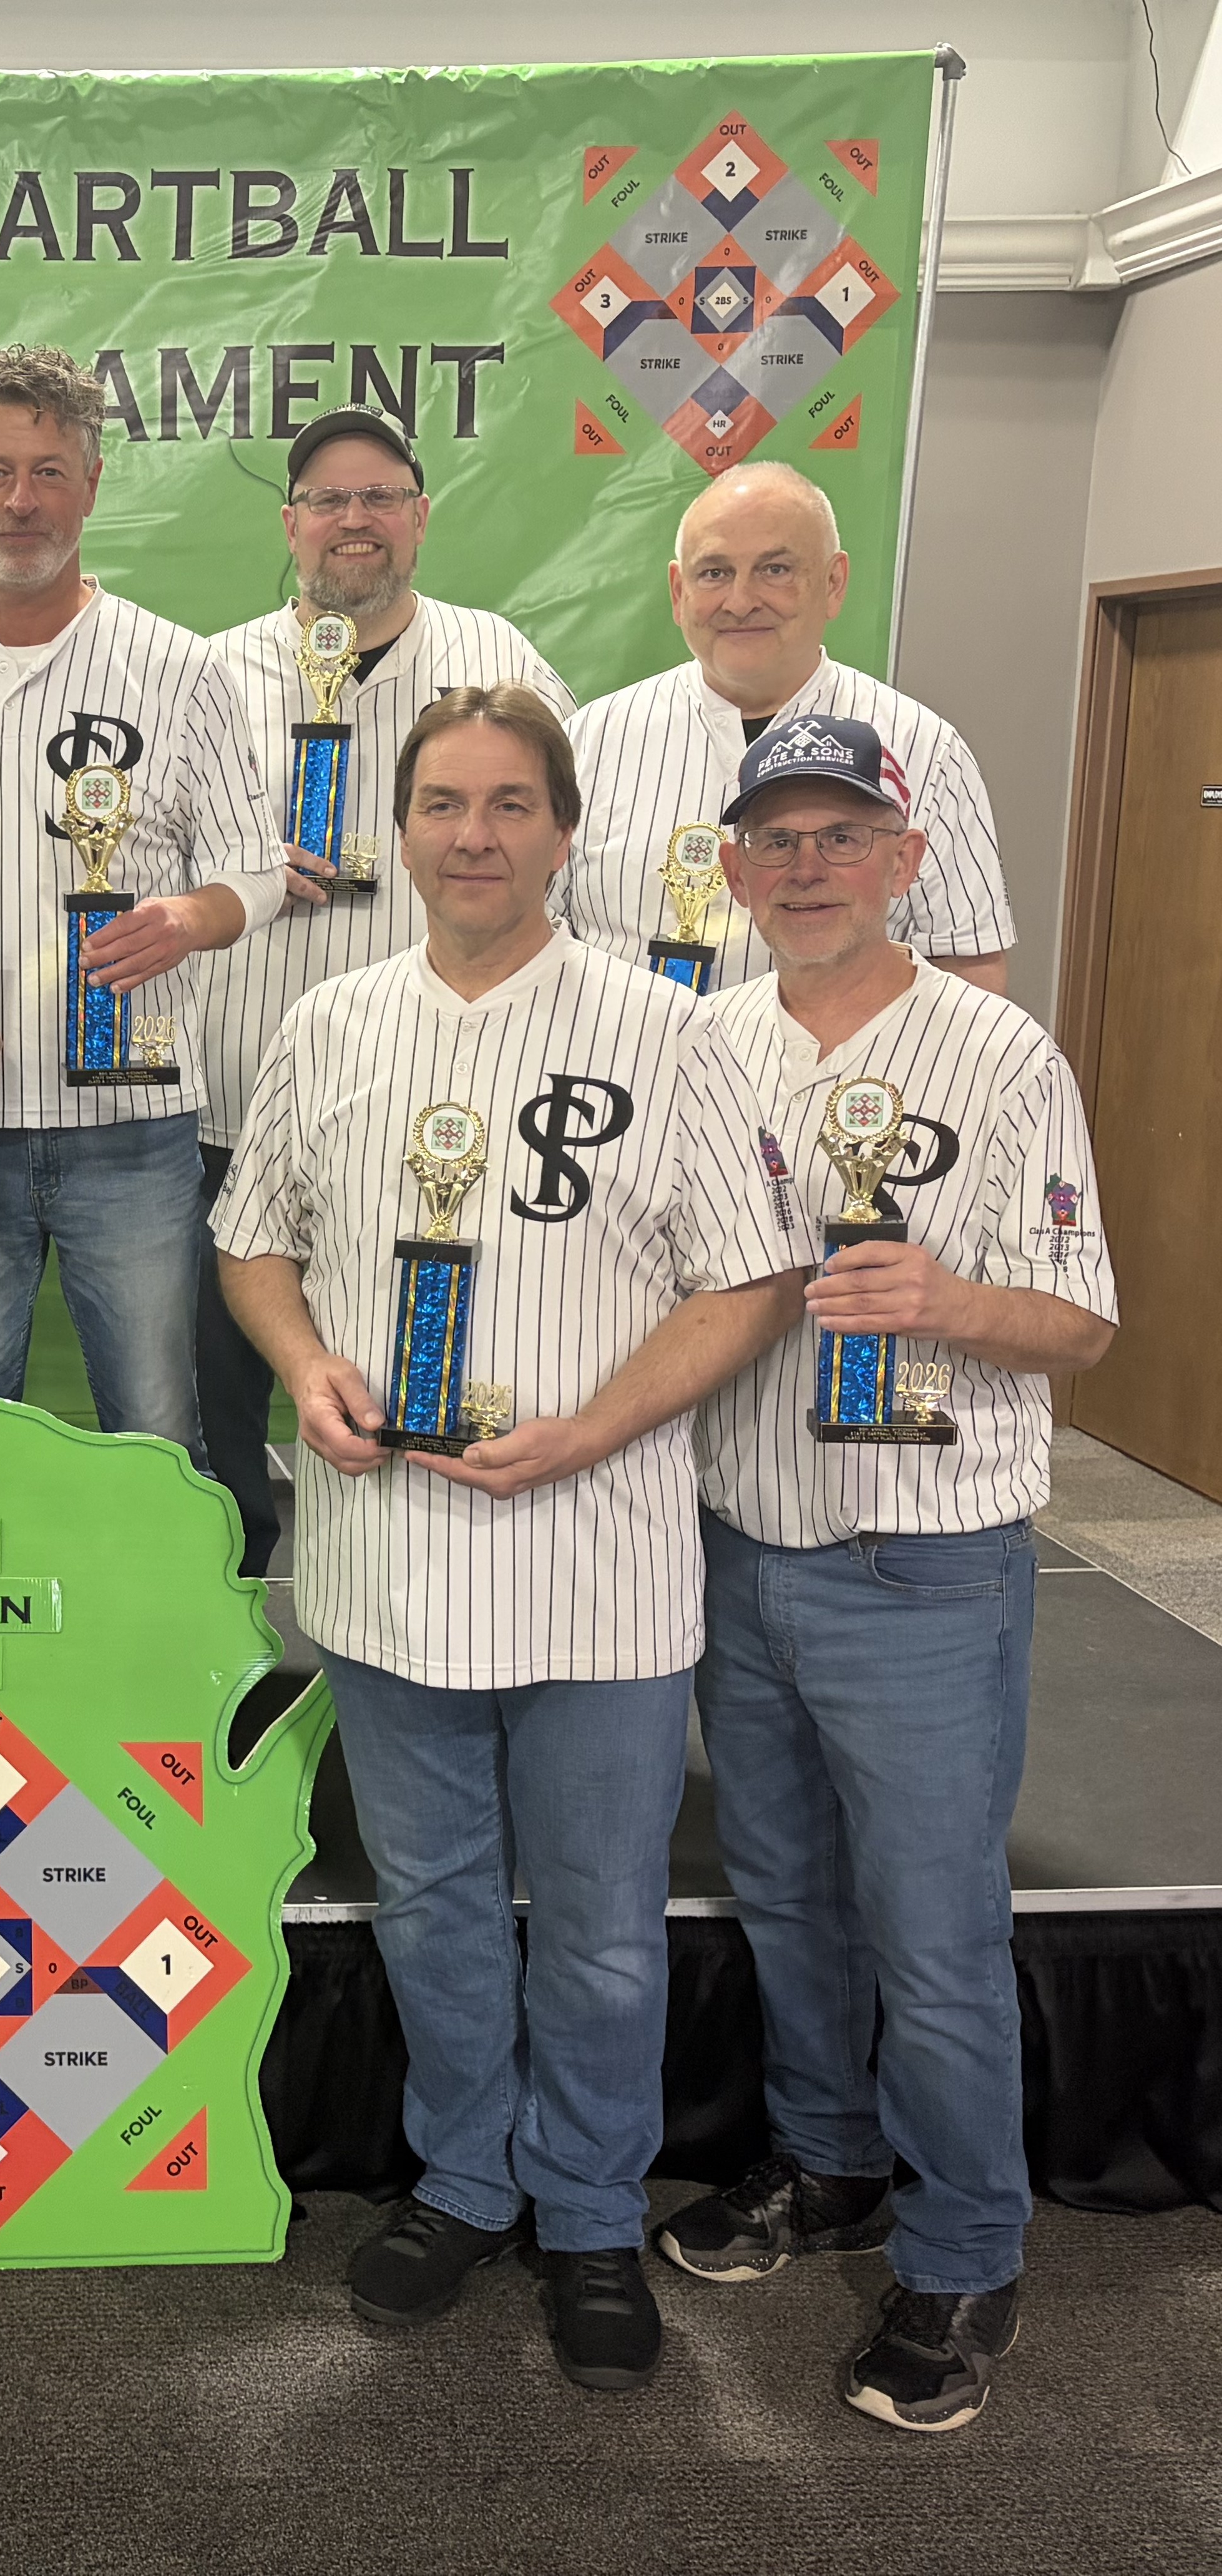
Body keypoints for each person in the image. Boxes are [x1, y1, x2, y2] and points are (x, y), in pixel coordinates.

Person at [212, 685, 804, 2393]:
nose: (472, 833)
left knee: (605, 1922)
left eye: (508, 803)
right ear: (401, 828)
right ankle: (466, 2178)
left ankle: (591, 2211)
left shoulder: (669, 1028)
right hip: (388, 1556)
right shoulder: (329, 1021)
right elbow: (253, 1241)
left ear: (563, 830)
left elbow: (754, 1278)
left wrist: (593, 1426)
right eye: (443, 802)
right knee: (434, 1901)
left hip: (597, 1559)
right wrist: (304, 1363)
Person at [666, 713, 1117, 2433]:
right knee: (786, 1894)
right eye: (775, 837)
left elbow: (1081, 1320)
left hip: (923, 1559)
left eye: (839, 833)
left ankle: (966, 2246)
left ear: (906, 858)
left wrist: (948, 1299)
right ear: (731, 866)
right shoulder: (704, 1042)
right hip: (745, 1536)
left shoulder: (999, 1052)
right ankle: (828, 2157)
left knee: (930, 1933)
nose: (806, 865)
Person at [0, 345, 283, 1463]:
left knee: (156, 1431)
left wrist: (188, 919)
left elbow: (257, 871)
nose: (21, 501)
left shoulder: (180, 669)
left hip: (134, 1134)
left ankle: (168, 1593)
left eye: (48, 472)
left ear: (91, 484)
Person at [192, 405, 572, 1582]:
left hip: (431, 1126)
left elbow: (564, 849)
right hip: (230, 1114)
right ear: (289, 524)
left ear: (419, 515)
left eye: (378, 497)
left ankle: (407, 1622)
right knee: (215, 1415)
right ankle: (233, 1640)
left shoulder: (497, 661)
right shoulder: (213, 673)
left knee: (406, 1405)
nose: (352, 519)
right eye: (326, 500)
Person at [560, 462, 1014, 998]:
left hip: (838, 1053)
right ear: (679, 592)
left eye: (775, 570)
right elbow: (531, 939)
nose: (740, 601)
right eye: (715, 573)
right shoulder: (588, 743)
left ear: (833, 583)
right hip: (625, 1051)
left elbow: (967, 964)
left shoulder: (925, 750)